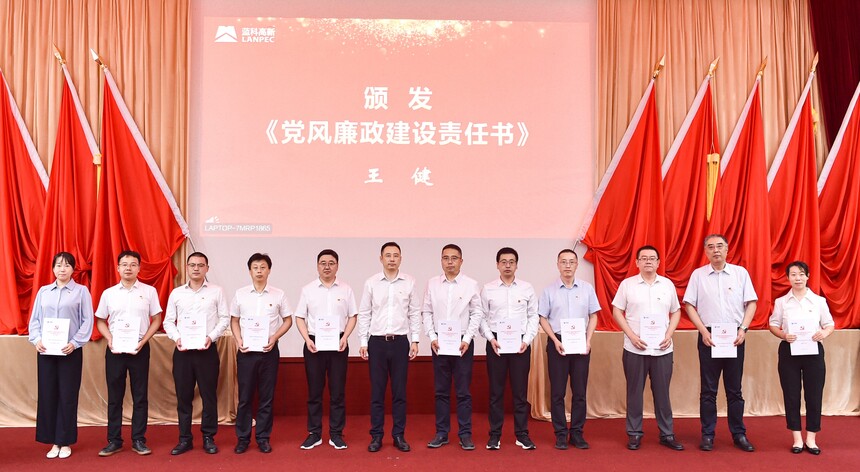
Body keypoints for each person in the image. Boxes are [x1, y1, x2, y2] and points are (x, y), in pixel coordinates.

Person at [683, 234, 757, 452]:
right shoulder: (698, 275)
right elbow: (689, 305)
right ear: (705, 251)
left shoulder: (740, 273)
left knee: (735, 390)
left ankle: (739, 434)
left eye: (719, 246)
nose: (715, 250)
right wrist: (703, 331)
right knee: (708, 390)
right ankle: (707, 435)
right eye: (711, 247)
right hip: (709, 337)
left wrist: (743, 329)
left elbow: (751, 303)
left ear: (727, 249)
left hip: (735, 336)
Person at [611, 245, 683, 451]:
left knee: (662, 393)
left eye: (652, 258)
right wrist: (631, 336)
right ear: (637, 262)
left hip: (662, 349)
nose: (648, 261)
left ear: (658, 262)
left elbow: (676, 311)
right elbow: (616, 311)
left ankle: (667, 434)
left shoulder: (667, 285)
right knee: (634, 392)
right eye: (644, 258)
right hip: (635, 348)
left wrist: (669, 334)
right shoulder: (627, 285)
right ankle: (634, 433)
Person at [95, 250, 163, 457]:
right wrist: (110, 338)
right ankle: (114, 440)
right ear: (118, 268)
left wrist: (144, 341)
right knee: (115, 397)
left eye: (133, 264)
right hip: (115, 349)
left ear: (139, 268)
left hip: (139, 348)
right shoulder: (109, 293)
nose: (128, 268)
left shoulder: (149, 291)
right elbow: (100, 321)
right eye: (124, 264)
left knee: (140, 396)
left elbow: (157, 319)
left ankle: (139, 439)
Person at [28, 252, 94, 459]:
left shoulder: (81, 291)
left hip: (70, 351)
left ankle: (64, 441)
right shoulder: (43, 292)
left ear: (73, 269)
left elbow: (87, 321)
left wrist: (74, 343)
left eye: (66, 265)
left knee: (67, 396)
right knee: (48, 394)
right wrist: (37, 339)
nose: (62, 269)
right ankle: (52, 441)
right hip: (46, 351)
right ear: (53, 268)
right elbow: (35, 319)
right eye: (58, 265)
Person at [163, 252, 230, 455]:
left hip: (206, 350)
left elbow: (224, 318)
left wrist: (211, 336)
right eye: (192, 265)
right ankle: (185, 438)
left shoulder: (217, 291)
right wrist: (177, 338)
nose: (196, 268)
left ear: (207, 268)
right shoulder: (177, 293)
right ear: (187, 267)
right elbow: (168, 321)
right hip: (183, 351)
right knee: (183, 396)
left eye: (200, 265)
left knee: (209, 396)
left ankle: (209, 437)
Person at [358, 242, 421, 453]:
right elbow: (365, 313)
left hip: (400, 342)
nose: (392, 259)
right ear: (381, 259)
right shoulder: (371, 283)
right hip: (376, 343)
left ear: (401, 259)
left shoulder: (409, 282)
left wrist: (415, 340)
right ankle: (376, 436)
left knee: (399, 393)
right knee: (377, 393)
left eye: (395, 255)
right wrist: (363, 342)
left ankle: (398, 435)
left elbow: (414, 312)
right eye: (388, 255)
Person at [768, 261, 834, 455]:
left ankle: (811, 439)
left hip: (813, 351)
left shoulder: (819, 301)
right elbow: (773, 324)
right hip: (789, 352)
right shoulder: (781, 302)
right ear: (788, 278)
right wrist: (783, 335)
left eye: (801, 274)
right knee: (791, 394)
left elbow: (830, 324)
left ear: (808, 276)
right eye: (793, 274)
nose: (798, 278)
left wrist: (823, 333)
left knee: (814, 394)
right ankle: (797, 438)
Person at [294, 249, 357, 450]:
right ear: (317, 266)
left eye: (331, 263)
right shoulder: (308, 290)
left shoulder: (346, 289)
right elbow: (299, 317)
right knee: (314, 391)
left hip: (338, 343)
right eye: (323, 263)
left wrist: (345, 337)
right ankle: (314, 433)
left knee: (337, 391)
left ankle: (336, 434)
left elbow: (353, 316)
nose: (327, 266)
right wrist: (307, 339)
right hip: (314, 344)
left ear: (337, 266)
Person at [422, 244, 483, 450]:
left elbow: (476, 313)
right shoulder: (432, 284)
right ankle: (441, 433)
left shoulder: (470, 284)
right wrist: (432, 337)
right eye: (446, 258)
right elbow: (426, 312)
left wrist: (467, 338)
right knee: (441, 390)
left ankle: (465, 434)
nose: (450, 262)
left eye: (454, 258)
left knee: (463, 391)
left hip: (462, 342)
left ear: (461, 261)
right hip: (439, 343)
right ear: (441, 260)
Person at [230, 253, 292, 454]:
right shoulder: (240, 294)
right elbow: (234, 320)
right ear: (250, 271)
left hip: (268, 352)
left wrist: (275, 337)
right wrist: (238, 339)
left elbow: (288, 320)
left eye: (263, 267)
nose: (259, 271)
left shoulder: (278, 294)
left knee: (266, 397)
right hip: (246, 352)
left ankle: (263, 438)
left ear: (269, 270)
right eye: (255, 267)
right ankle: (243, 438)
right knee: (245, 397)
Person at [538, 249, 600, 450]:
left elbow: (594, 315)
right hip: (558, 343)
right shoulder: (549, 291)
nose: (567, 265)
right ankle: (560, 434)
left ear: (576, 265)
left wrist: (588, 340)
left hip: (581, 343)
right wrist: (554, 340)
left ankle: (577, 433)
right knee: (557, 392)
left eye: (571, 262)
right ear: (557, 264)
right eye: (563, 262)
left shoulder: (587, 288)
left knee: (579, 391)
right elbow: (542, 318)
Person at [480, 247, 539, 450]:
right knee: (496, 393)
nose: (507, 265)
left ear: (516, 265)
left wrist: (527, 340)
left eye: (511, 262)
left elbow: (533, 316)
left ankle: (522, 435)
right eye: (503, 262)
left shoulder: (527, 288)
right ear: (497, 264)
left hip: (520, 344)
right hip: (496, 343)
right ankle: (494, 435)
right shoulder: (488, 289)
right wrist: (490, 338)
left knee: (520, 393)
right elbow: (481, 317)